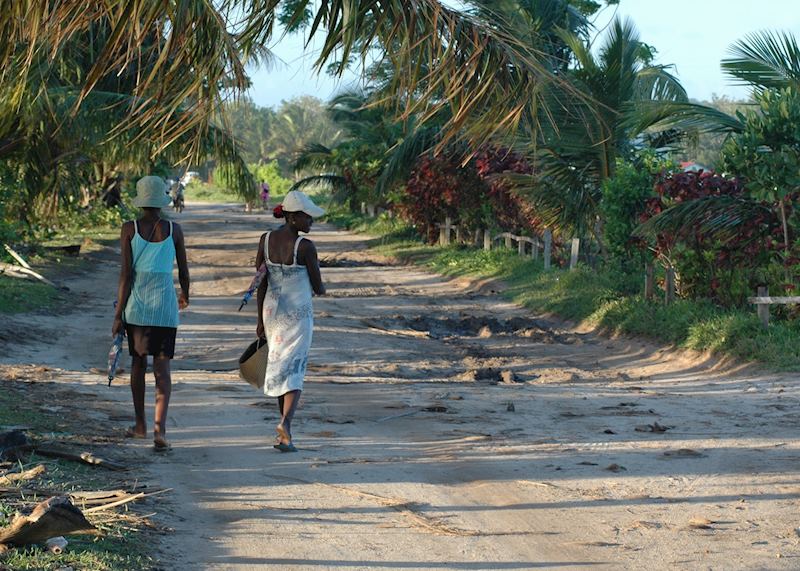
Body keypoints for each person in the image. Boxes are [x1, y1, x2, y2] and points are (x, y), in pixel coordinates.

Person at [112, 176, 190, 451]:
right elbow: (183, 270)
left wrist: (118, 315)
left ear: (141, 200)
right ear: (161, 200)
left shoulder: (129, 229)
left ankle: (140, 425)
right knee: (162, 369)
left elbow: (125, 275)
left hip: (138, 309)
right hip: (165, 309)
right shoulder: (174, 229)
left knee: (137, 365)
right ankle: (161, 429)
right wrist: (185, 295)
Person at [255, 190, 325, 452]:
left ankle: (284, 434)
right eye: (308, 217)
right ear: (294, 218)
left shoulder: (265, 240)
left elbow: (260, 282)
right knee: (294, 369)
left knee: (278, 366)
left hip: (271, 313)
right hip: (297, 317)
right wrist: (321, 286)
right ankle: (286, 424)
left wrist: (259, 321)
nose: (311, 223)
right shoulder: (305, 247)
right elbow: (318, 287)